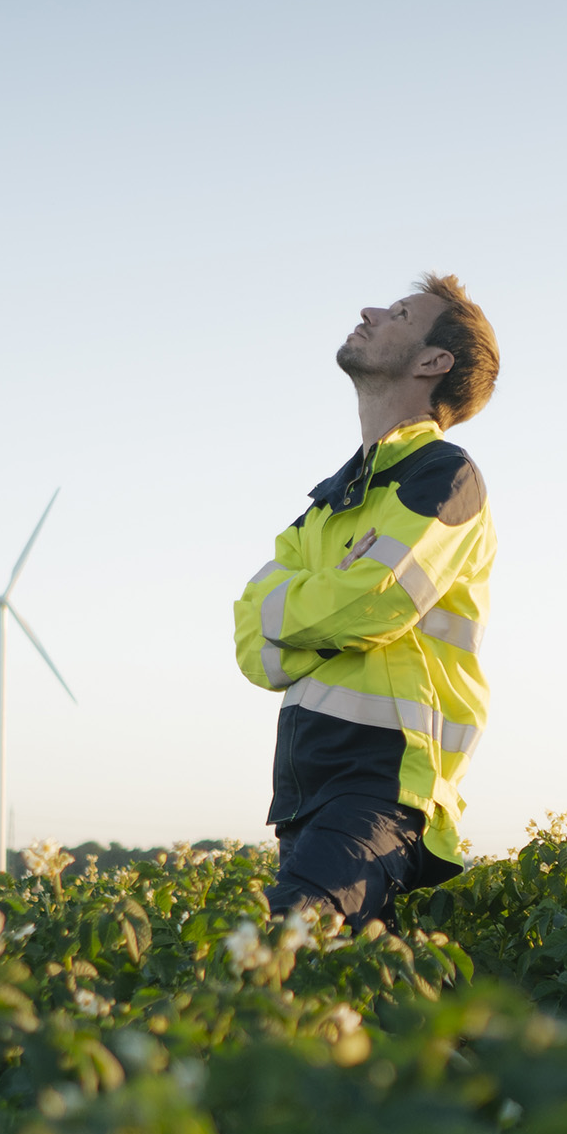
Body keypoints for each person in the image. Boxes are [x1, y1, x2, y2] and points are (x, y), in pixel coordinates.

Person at [232, 274, 500, 928]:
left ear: (434, 362)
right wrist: (330, 609)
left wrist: (297, 608)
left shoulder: (444, 477)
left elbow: (370, 603)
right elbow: (250, 647)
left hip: (384, 786)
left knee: (278, 948)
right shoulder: (328, 503)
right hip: (303, 790)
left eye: (400, 313)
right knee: (319, 1003)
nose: (370, 310)